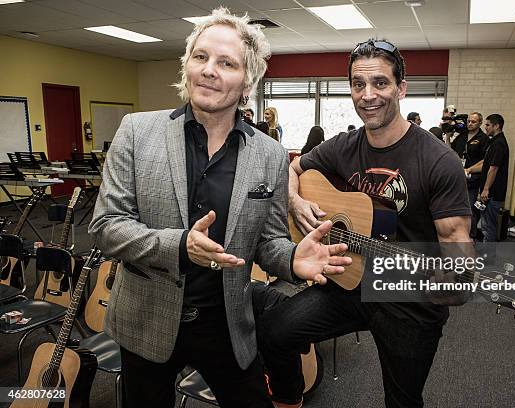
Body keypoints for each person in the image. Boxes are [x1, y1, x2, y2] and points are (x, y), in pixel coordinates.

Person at [88, 8, 351, 408]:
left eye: (226, 62)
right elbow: (107, 226)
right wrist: (180, 246)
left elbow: (268, 242)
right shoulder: (137, 132)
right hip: (147, 322)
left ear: (248, 82)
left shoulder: (269, 155)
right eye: (200, 57)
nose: (209, 70)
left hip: (228, 324)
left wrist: (293, 259)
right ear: (187, 67)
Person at [257, 38, 472, 408]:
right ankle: (288, 400)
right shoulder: (343, 146)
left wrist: (456, 276)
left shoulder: (439, 160)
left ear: (401, 88)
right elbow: (292, 169)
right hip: (350, 283)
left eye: (380, 83)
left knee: (402, 401)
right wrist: (296, 201)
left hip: (409, 297)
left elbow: (455, 239)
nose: (368, 95)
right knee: (275, 331)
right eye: (358, 85)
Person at [477, 113, 509, 242]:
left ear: (497, 126)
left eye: (488, 125)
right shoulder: (493, 142)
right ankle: (486, 254)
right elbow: (486, 163)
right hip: (490, 192)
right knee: (486, 225)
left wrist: (485, 189)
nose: (485, 127)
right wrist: (468, 169)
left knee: (488, 227)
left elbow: (493, 168)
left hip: (493, 193)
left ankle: (487, 259)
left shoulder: (499, 144)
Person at [463, 112, 489, 240]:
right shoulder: (462, 136)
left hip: (473, 181)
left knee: (471, 211)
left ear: (480, 123)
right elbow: (449, 151)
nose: (470, 123)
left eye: (473, 122)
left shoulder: (483, 139)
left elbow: (486, 162)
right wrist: (449, 135)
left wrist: (469, 170)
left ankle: (471, 236)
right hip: (459, 180)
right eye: (468, 121)